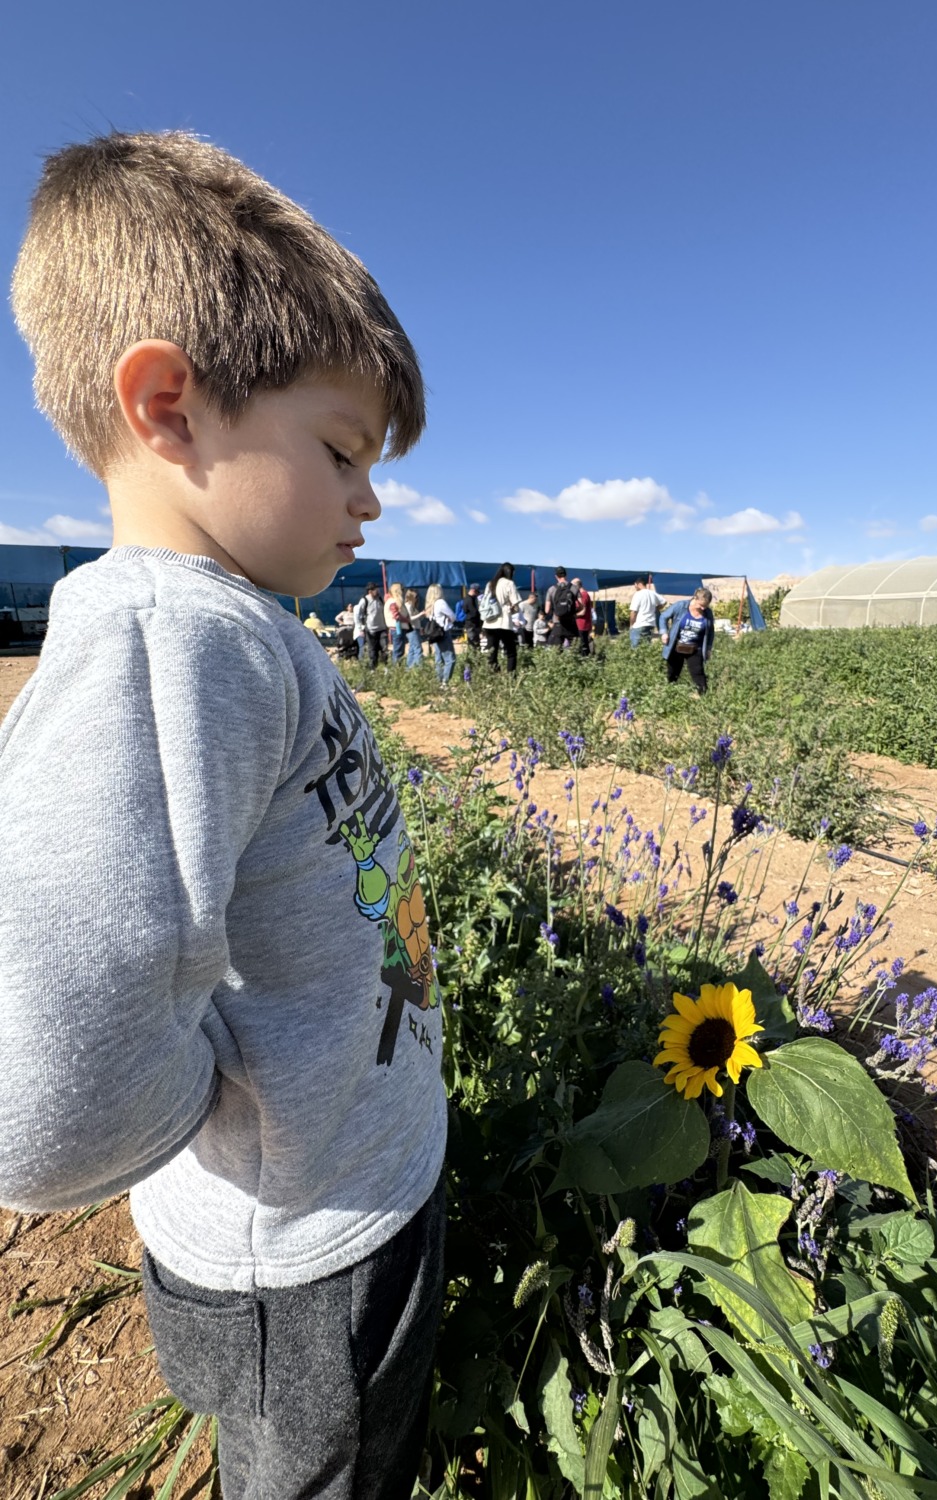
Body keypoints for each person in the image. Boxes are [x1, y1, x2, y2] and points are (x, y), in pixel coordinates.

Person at [1, 132, 444, 1500]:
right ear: (169, 406)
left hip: (344, 1194)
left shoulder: (237, 631)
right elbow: (43, 1106)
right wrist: (226, 1102)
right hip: (303, 1250)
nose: (371, 499)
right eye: (342, 449)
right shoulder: (171, 643)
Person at [660, 588, 716, 694]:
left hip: (695, 648)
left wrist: (708, 648)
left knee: (698, 673)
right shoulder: (681, 606)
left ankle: (703, 696)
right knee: (672, 673)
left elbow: (711, 631)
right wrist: (664, 632)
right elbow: (663, 617)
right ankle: (669, 694)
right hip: (677, 646)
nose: (703, 608)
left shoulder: (708, 613)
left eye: (706, 606)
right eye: (701, 605)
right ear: (695, 598)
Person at [481, 561, 520, 673]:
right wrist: (513, 610)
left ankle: (495, 675)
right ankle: (511, 677)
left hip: (489, 622)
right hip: (503, 622)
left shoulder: (490, 584)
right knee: (511, 652)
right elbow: (516, 604)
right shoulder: (509, 583)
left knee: (492, 652)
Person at [424, 584, 456, 685]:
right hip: (443, 633)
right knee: (450, 659)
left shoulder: (430, 605)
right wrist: (450, 620)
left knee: (439, 658)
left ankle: (439, 680)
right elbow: (452, 616)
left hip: (434, 634)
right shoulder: (440, 603)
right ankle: (445, 682)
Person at [545, 564, 579, 648]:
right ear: (566, 575)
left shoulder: (551, 589)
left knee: (556, 650)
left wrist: (556, 612)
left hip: (558, 622)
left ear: (556, 576)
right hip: (571, 623)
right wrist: (573, 612)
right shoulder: (574, 588)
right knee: (575, 649)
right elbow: (581, 605)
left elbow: (547, 610)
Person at [629, 576, 665, 648]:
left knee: (635, 648)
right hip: (650, 624)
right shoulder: (652, 593)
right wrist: (656, 608)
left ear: (638, 584)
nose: (635, 587)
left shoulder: (638, 594)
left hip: (639, 624)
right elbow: (664, 602)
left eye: (635, 585)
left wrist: (631, 625)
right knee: (646, 647)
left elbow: (633, 612)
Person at [364, 584, 389, 668]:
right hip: (371, 630)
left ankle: (385, 668)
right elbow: (358, 614)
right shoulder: (365, 600)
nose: (377, 591)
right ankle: (373, 669)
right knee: (373, 650)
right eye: (375, 590)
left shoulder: (380, 599)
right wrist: (361, 627)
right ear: (370, 591)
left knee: (384, 648)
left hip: (382, 629)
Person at [387, 581, 409, 663]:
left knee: (399, 650)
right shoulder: (393, 602)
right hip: (397, 629)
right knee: (398, 651)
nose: (403, 591)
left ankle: (397, 667)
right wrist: (407, 620)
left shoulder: (396, 601)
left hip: (398, 628)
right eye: (402, 590)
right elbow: (396, 616)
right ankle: (396, 668)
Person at [572, 577, 593, 656]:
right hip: (582, 624)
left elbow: (583, 611)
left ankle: (585, 659)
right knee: (583, 644)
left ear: (576, 586)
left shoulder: (583, 595)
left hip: (582, 624)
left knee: (583, 645)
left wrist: (573, 616)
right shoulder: (583, 594)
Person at [403, 589, 423, 668]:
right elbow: (410, 618)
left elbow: (416, 619)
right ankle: (418, 667)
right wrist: (420, 614)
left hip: (415, 629)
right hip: (412, 629)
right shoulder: (408, 606)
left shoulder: (413, 606)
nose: (416, 598)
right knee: (418, 648)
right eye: (415, 596)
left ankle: (409, 667)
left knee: (412, 649)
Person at [463, 583, 482, 653]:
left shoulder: (468, 599)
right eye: (477, 592)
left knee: (474, 644)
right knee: (474, 644)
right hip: (472, 625)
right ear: (473, 590)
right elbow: (474, 613)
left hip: (472, 625)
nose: (477, 594)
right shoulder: (469, 600)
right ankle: (474, 658)